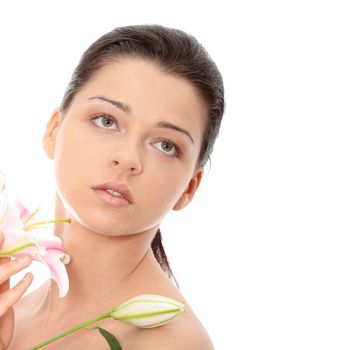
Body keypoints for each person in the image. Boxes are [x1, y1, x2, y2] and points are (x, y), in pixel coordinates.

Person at [0, 24, 225, 349]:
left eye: (165, 145)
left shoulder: (171, 342)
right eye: (107, 121)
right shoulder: (14, 308)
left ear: (190, 187)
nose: (127, 158)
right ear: (53, 131)